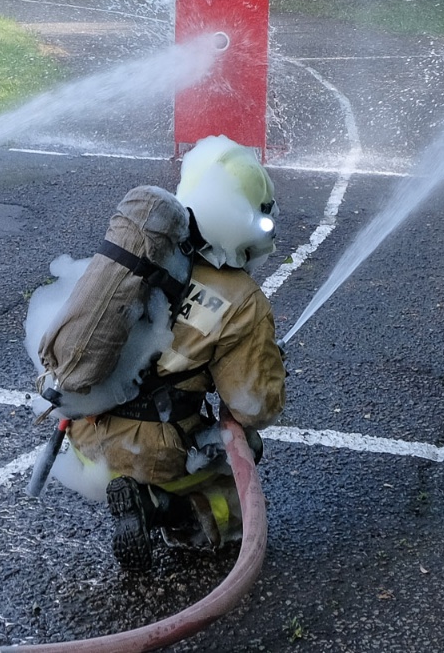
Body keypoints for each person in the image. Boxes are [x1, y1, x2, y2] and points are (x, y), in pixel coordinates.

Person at [66, 135, 287, 571]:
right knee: (234, 506)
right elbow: (253, 406)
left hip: (81, 433)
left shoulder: (142, 254)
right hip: (151, 450)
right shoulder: (240, 298)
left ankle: (128, 486)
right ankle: (159, 507)